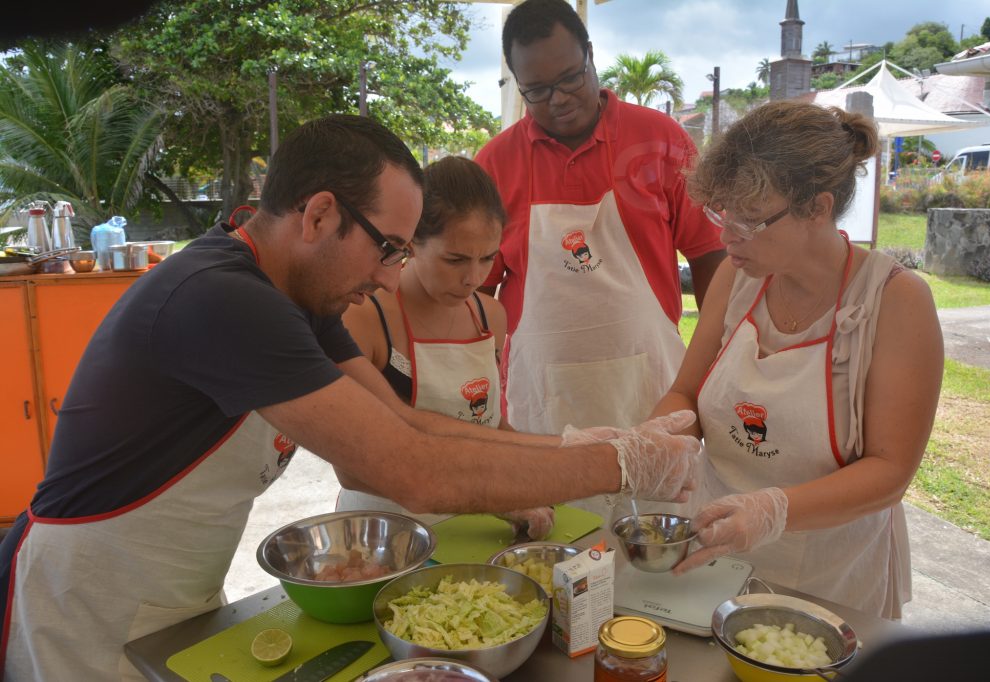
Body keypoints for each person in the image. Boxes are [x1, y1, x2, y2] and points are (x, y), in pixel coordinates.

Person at [0, 115, 703, 681]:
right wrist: (621, 466)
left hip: (176, 596)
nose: (393, 276)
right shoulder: (222, 299)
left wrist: (586, 445)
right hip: (88, 602)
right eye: (389, 248)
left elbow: (404, 422)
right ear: (318, 215)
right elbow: (409, 471)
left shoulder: (298, 298)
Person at [648, 101, 944, 619]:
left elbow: (891, 470)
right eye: (723, 215)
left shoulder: (894, 301)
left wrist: (772, 509)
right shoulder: (736, 279)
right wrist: (655, 438)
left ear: (818, 207)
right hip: (712, 553)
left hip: (829, 576)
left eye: (750, 220)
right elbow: (687, 395)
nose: (725, 237)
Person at [475, 0, 725, 444]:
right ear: (517, 84)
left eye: (570, 78)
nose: (560, 99)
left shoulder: (661, 141)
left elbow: (710, 256)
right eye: (537, 90)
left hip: (653, 387)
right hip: (538, 397)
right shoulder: (494, 165)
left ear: (590, 54)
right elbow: (474, 289)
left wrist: (718, 364)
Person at [336, 155, 532, 529]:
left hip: (473, 521)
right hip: (385, 527)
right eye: (455, 259)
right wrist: (489, 494)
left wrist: (543, 470)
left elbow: (487, 424)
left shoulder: (491, 316)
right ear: (411, 243)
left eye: (487, 258)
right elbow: (352, 467)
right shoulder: (365, 317)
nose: (472, 278)